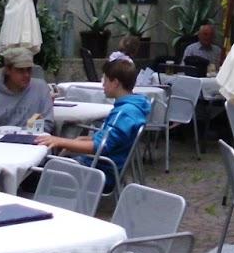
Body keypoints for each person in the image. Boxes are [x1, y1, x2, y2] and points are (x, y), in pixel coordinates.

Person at [35, 57, 149, 190]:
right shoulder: (133, 107)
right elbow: (111, 138)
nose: (103, 85)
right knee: (49, 162)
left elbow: (101, 146)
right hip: (104, 166)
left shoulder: (123, 113)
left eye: (105, 80)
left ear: (115, 83)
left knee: (37, 171)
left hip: (100, 172)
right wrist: (88, 138)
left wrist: (59, 141)